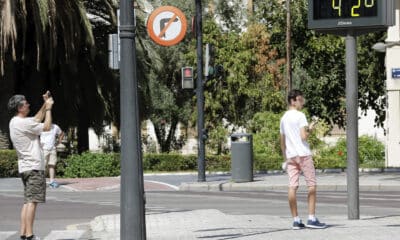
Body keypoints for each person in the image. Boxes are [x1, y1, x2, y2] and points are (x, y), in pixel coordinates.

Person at [8, 91, 54, 240]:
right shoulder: (23, 123)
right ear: (20, 108)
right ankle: (29, 235)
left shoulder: (15, 122)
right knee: (32, 202)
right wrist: (48, 109)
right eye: (26, 103)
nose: (28, 104)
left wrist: (44, 103)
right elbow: (47, 126)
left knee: (28, 201)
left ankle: (23, 233)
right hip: (34, 167)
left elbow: (35, 119)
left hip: (25, 167)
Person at [279, 89, 326, 230]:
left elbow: (282, 140)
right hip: (303, 154)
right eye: (300, 100)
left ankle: (296, 220)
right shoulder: (300, 116)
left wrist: (285, 157)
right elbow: (304, 136)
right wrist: (310, 128)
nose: (302, 102)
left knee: (292, 186)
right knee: (311, 185)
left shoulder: (283, 118)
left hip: (291, 156)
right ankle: (311, 218)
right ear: (293, 100)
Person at [40, 124, 64, 188]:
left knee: (52, 165)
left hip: (52, 148)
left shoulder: (55, 126)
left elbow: (61, 133)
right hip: (44, 149)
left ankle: (52, 182)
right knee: (42, 166)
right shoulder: (41, 126)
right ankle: (41, 182)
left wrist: (58, 142)